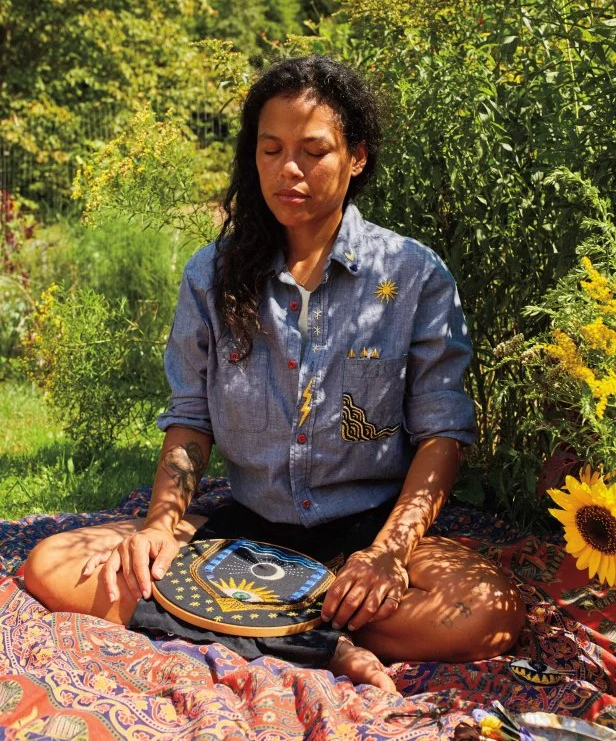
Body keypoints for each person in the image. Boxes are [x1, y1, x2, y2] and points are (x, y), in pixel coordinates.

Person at [23, 56, 525, 694]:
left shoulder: (414, 276)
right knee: (53, 567)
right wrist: (158, 524)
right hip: (244, 535)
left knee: (489, 614)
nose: (289, 170)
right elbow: (189, 421)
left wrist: (390, 552)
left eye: (314, 151)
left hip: (363, 531)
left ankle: (235, 626)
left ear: (357, 157)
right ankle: (323, 643)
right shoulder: (212, 275)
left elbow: (442, 434)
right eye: (270, 149)